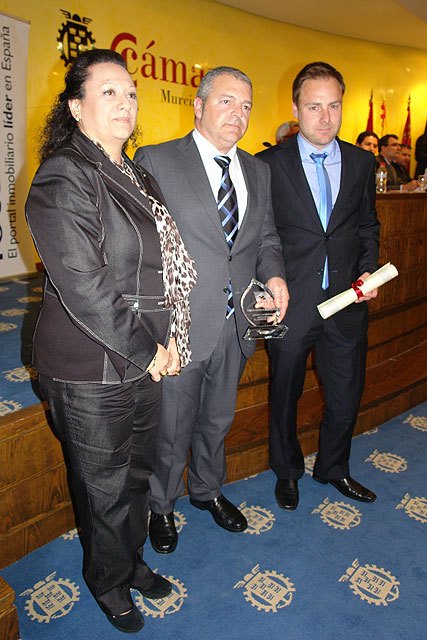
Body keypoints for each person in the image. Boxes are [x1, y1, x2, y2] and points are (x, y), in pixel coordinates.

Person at [25, 49, 196, 634]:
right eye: (108, 93)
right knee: (103, 487)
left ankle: (130, 561)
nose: (125, 103)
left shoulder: (136, 173)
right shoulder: (62, 176)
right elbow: (87, 287)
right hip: (89, 365)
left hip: (145, 355)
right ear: (76, 108)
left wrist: (165, 341)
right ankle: (107, 580)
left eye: (130, 93)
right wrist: (152, 350)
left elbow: (158, 270)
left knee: (137, 475)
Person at [134, 66, 288, 554]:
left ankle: (206, 489)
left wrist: (276, 275)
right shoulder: (156, 160)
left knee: (218, 419)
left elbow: (264, 238)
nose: (238, 115)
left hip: (238, 321)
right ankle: (161, 506)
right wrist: (155, 326)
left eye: (246, 105)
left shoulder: (258, 170)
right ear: (198, 106)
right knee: (172, 426)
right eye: (226, 102)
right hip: (180, 324)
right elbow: (143, 250)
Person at [257, 61, 380, 511]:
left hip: (348, 300)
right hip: (291, 301)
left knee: (347, 393)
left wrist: (367, 271)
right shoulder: (268, 164)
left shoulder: (364, 161)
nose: (325, 118)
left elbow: (367, 224)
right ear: (295, 108)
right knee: (285, 393)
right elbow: (261, 234)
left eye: (334, 106)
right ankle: (287, 471)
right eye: (314, 107)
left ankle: (334, 467)